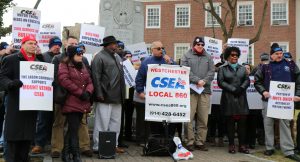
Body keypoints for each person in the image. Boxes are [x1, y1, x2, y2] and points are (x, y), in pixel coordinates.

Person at [0, 36, 44, 161]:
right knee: (13, 135)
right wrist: (11, 84)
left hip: (32, 103)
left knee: (27, 136)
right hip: (15, 102)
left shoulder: (38, 62)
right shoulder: (11, 59)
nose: (33, 45)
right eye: (30, 43)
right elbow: (2, 77)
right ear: (23, 45)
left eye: (35, 43)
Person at [254, 43, 300, 161]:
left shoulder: (290, 64)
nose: (280, 56)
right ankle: (270, 147)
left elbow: (299, 80)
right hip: (269, 100)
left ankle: (288, 150)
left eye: (281, 53)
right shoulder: (265, 66)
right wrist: (263, 91)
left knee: (285, 124)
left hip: (285, 101)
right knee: (268, 124)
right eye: (277, 54)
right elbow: (257, 81)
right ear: (271, 55)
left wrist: (297, 94)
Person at [51, 36, 92, 158]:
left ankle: (84, 146)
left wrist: (87, 92)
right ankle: (57, 148)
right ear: (65, 44)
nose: (74, 45)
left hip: (80, 98)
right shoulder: (58, 58)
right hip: (63, 97)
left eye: (76, 43)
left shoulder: (83, 59)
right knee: (59, 122)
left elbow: (88, 76)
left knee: (82, 123)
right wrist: (74, 90)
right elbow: (57, 78)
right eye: (71, 43)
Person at [135, 41, 175, 144]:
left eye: (162, 48)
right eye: (158, 48)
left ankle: (161, 140)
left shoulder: (168, 60)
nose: (161, 50)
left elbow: (178, 74)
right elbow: (139, 78)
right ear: (152, 50)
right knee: (148, 120)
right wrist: (140, 92)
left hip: (164, 97)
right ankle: (145, 140)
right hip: (151, 96)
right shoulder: (147, 62)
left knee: (161, 120)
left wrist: (170, 63)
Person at [91, 36, 125, 153]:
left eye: (116, 44)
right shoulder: (99, 57)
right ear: (107, 45)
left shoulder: (117, 57)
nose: (116, 46)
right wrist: (99, 93)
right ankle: (97, 146)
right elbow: (96, 77)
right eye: (113, 44)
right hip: (105, 96)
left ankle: (113, 145)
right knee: (102, 123)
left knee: (116, 123)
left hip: (117, 96)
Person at [181, 36, 214, 151]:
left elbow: (212, 72)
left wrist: (204, 81)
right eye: (198, 44)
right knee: (189, 118)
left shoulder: (208, 57)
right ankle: (189, 141)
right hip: (191, 90)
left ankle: (200, 142)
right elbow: (185, 71)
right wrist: (197, 80)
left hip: (204, 90)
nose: (200, 46)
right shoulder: (186, 55)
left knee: (203, 118)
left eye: (202, 45)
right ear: (194, 45)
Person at [31, 36, 62, 154]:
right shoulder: (42, 56)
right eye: (55, 44)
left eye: (59, 44)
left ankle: (53, 143)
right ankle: (39, 144)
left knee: (57, 121)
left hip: (58, 93)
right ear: (50, 45)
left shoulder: (62, 57)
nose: (57, 46)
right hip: (44, 93)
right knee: (43, 119)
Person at [217, 47, 250, 154]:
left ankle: (242, 145)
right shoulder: (222, 68)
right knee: (230, 123)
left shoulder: (242, 68)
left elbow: (247, 80)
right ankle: (231, 145)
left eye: (236, 55)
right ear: (227, 56)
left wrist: (241, 88)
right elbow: (220, 82)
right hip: (228, 99)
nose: (234, 56)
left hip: (241, 99)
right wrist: (233, 89)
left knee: (242, 124)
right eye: (232, 55)